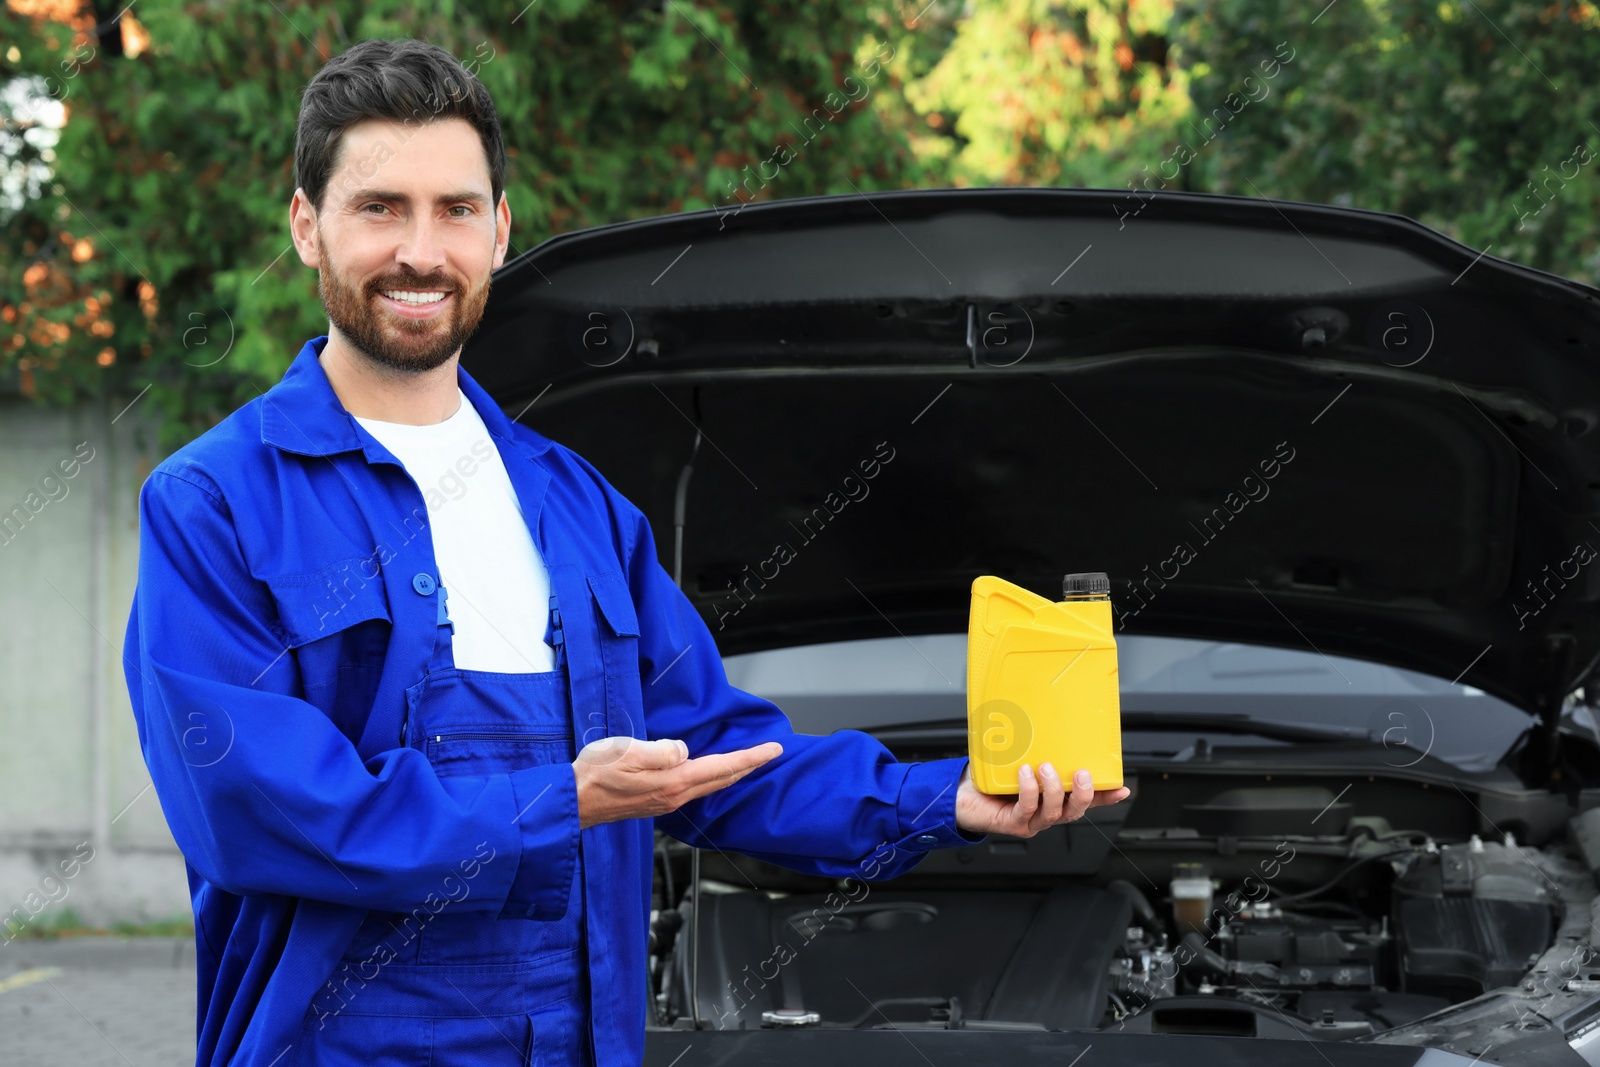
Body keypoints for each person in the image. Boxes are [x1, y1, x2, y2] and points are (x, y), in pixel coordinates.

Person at [121, 37, 1130, 1067]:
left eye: (456, 209)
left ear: (500, 232)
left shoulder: (578, 509)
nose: (420, 251)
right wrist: (560, 797)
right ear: (307, 226)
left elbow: (716, 759)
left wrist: (946, 797)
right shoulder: (217, 503)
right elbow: (257, 810)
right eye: (380, 207)